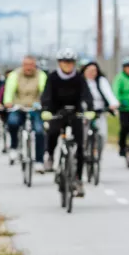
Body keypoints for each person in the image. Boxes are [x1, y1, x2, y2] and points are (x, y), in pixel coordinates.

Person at [41, 49, 93, 196]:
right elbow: (47, 95)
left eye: (70, 62)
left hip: (75, 113)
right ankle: (49, 156)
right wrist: (46, 110)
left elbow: (86, 95)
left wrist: (89, 109)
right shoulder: (53, 77)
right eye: (65, 62)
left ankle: (78, 179)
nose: (68, 65)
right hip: (57, 112)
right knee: (52, 133)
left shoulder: (78, 78)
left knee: (80, 147)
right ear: (59, 63)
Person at [4, 55, 49, 173]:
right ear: (22, 65)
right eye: (26, 65)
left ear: (35, 65)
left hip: (35, 107)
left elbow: (44, 90)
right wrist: (8, 102)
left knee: (39, 131)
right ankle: (14, 147)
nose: (28, 67)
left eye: (31, 65)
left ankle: (39, 161)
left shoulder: (41, 75)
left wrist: (44, 103)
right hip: (19, 106)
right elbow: (9, 89)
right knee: (12, 122)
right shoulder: (15, 75)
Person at [81, 61, 120, 142]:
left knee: (102, 134)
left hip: (99, 110)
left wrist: (114, 104)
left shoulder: (101, 81)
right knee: (82, 133)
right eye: (89, 70)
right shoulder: (80, 81)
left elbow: (108, 93)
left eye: (94, 70)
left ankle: (97, 150)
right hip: (85, 111)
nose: (92, 73)